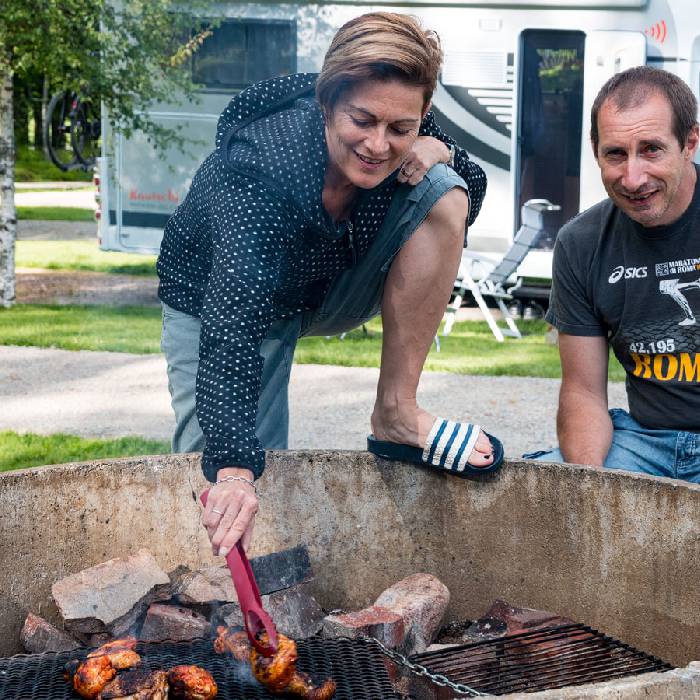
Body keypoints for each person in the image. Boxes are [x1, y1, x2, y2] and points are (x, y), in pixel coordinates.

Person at [157, 12, 505, 558]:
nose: (378, 145)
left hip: (324, 284)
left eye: (401, 129)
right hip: (222, 302)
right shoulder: (260, 168)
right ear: (326, 104)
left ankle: (396, 412)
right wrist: (233, 469)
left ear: (423, 114)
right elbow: (232, 327)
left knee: (444, 188)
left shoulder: (405, 126)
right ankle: (214, 613)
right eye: (361, 122)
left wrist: (443, 150)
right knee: (231, 484)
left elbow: (469, 199)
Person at [528, 66, 700, 481]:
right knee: (532, 495)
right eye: (616, 154)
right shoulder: (580, 243)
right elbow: (583, 393)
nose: (633, 178)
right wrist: (590, 490)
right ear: (595, 150)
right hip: (643, 442)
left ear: (690, 143)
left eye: (652, 150)